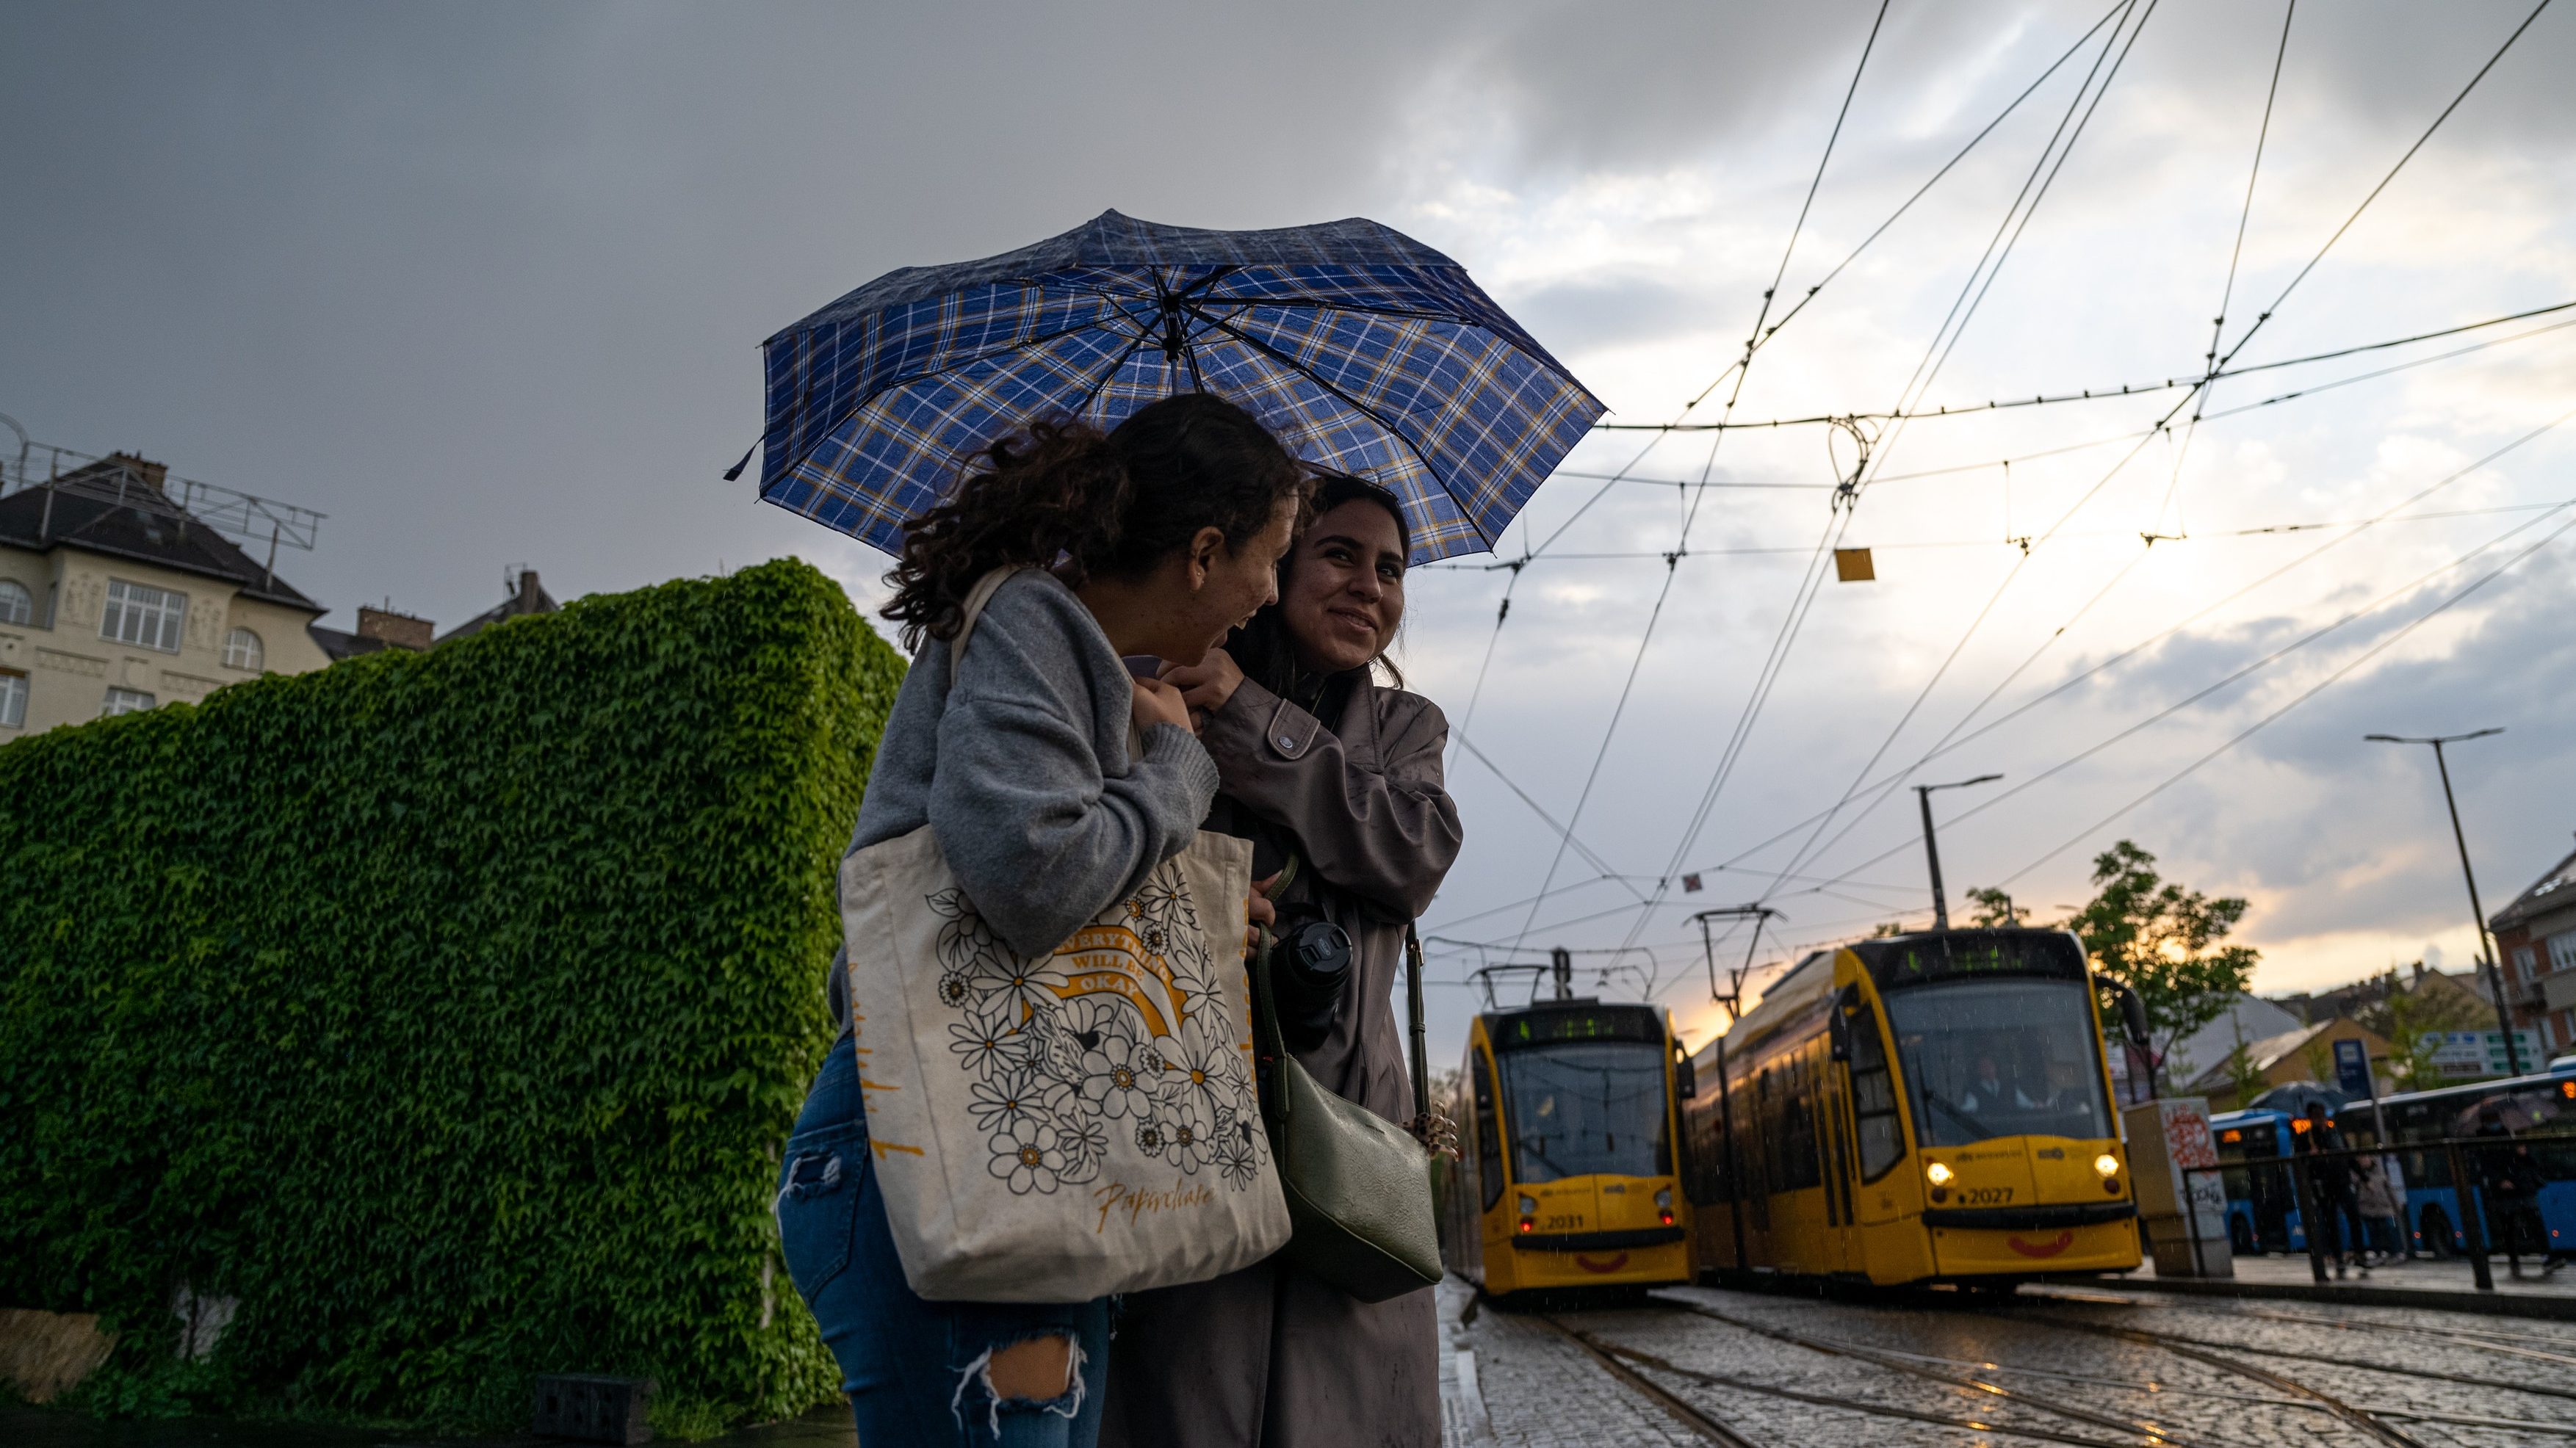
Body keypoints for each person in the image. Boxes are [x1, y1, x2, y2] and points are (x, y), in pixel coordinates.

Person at [776, 394, 1307, 1448]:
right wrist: (1173, 771)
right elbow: (1030, 879)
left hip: (1016, 1152)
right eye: (1272, 556)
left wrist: (1182, 908)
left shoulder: (1077, 656)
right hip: (941, 1140)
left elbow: (1056, 878)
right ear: (1204, 552)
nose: (1270, 592)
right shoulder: (1029, 619)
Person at [1100, 471, 1463, 1448]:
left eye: (1389, 569)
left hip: (1348, 1147)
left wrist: (1250, 713)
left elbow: (1412, 851)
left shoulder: (1403, 727)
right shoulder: (1164, 689)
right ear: (1272, 568)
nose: (1368, 587)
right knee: (1184, 1400)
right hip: (1188, 1119)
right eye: (1338, 555)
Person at [2474, 1105, 2559, 1278]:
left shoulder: (2508, 1133)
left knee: (2533, 1221)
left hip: (2520, 1187)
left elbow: (2529, 1164)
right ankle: (2515, 1259)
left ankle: (2545, 1256)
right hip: (2504, 1192)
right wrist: (2500, 1181)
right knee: (2510, 1226)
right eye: (2491, 1120)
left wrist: (2523, 1153)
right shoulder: (2480, 1142)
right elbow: (2482, 1167)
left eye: (2496, 1119)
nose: (2495, 1123)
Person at [2294, 1102, 2362, 1278]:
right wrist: (2310, 1157)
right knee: (2332, 1222)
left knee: (2353, 1215)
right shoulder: (2305, 1138)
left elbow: (2348, 1157)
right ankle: (2338, 1257)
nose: (2320, 1119)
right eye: (2316, 1115)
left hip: (2341, 1182)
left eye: (2321, 1114)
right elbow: (2299, 1164)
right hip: (2324, 1185)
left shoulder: (2335, 1133)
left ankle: (2359, 1253)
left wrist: (2363, 1176)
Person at [2352, 1151, 2404, 1266]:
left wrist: (2396, 1205)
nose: (2363, 1161)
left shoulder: (2380, 1171)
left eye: (2365, 1158)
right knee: (2374, 1233)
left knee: (2389, 1229)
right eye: (2361, 1159)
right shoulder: (2357, 1175)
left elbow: (2390, 1190)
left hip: (2384, 1207)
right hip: (2367, 1209)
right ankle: (2379, 1254)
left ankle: (2396, 1252)